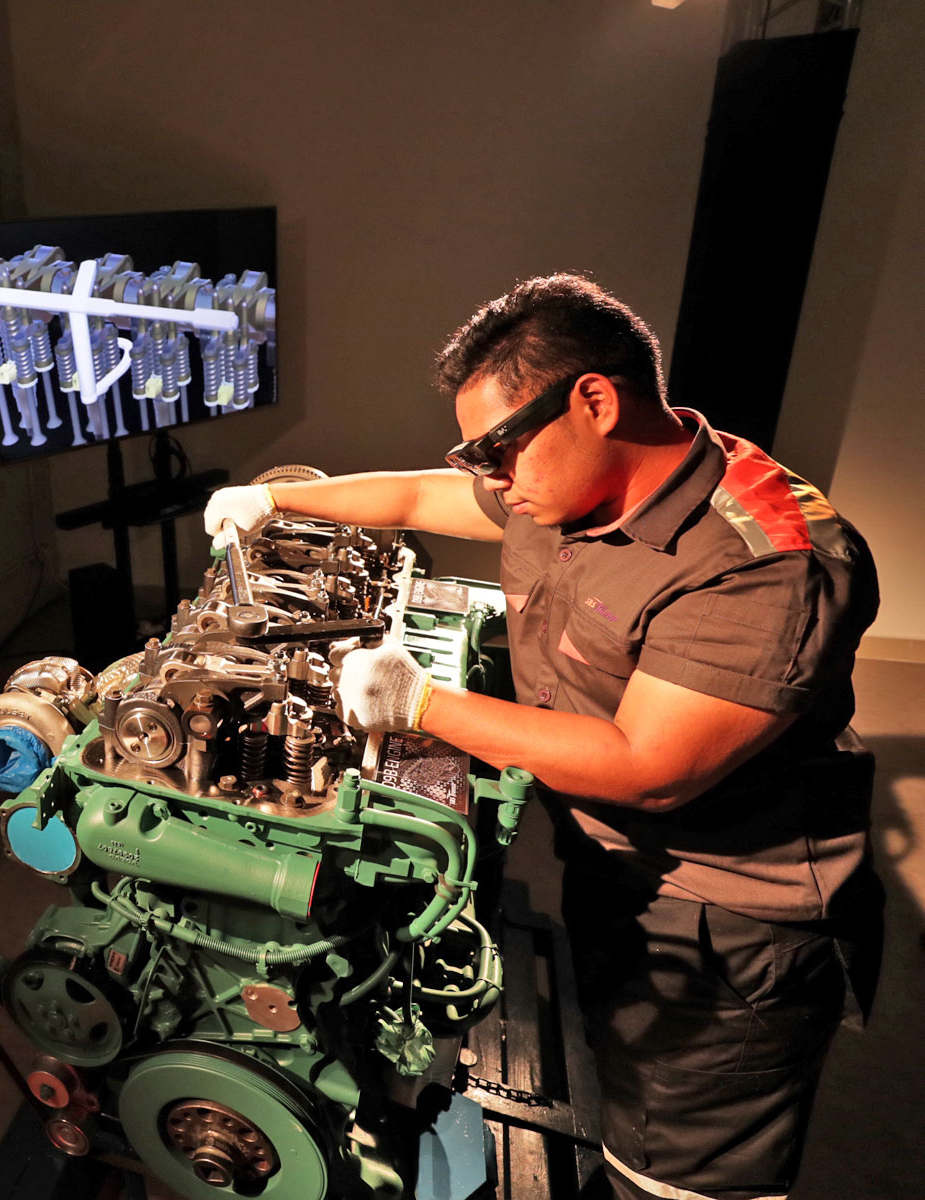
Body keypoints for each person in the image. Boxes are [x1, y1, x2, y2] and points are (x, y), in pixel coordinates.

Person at [203, 274, 882, 1200]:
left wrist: (420, 704)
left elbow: (648, 771)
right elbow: (412, 498)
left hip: (725, 923)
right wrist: (275, 503)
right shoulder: (567, 488)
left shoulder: (764, 564)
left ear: (594, 401)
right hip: (614, 865)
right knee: (613, 1074)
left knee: (674, 1174)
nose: (488, 478)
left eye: (497, 448)